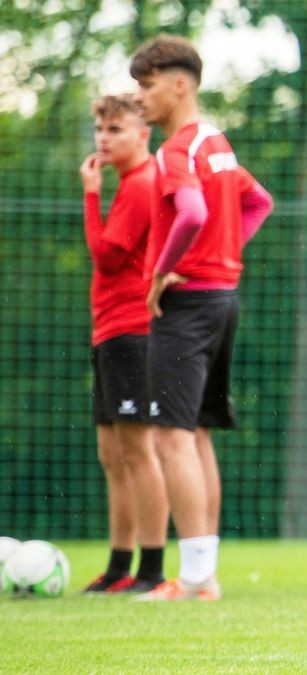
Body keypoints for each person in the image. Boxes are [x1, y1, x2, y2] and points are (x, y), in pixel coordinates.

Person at [128, 35, 274, 601]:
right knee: (198, 436)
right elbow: (259, 203)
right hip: (222, 299)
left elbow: (190, 212)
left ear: (179, 84)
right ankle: (201, 573)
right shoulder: (218, 143)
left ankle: (194, 580)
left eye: (147, 85)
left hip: (186, 306)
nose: (140, 97)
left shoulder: (177, 151)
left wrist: (164, 270)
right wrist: (227, 253)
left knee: (170, 438)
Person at [79, 94, 170, 594]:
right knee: (112, 454)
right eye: (100, 128)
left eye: (115, 128)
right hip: (111, 330)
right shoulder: (130, 184)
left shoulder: (141, 184)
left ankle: (151, 569)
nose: (103, 138)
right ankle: (119, 567)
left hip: (134, 330)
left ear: (142, 134)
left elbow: (109, 256)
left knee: (138, 451)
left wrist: (91, 196)